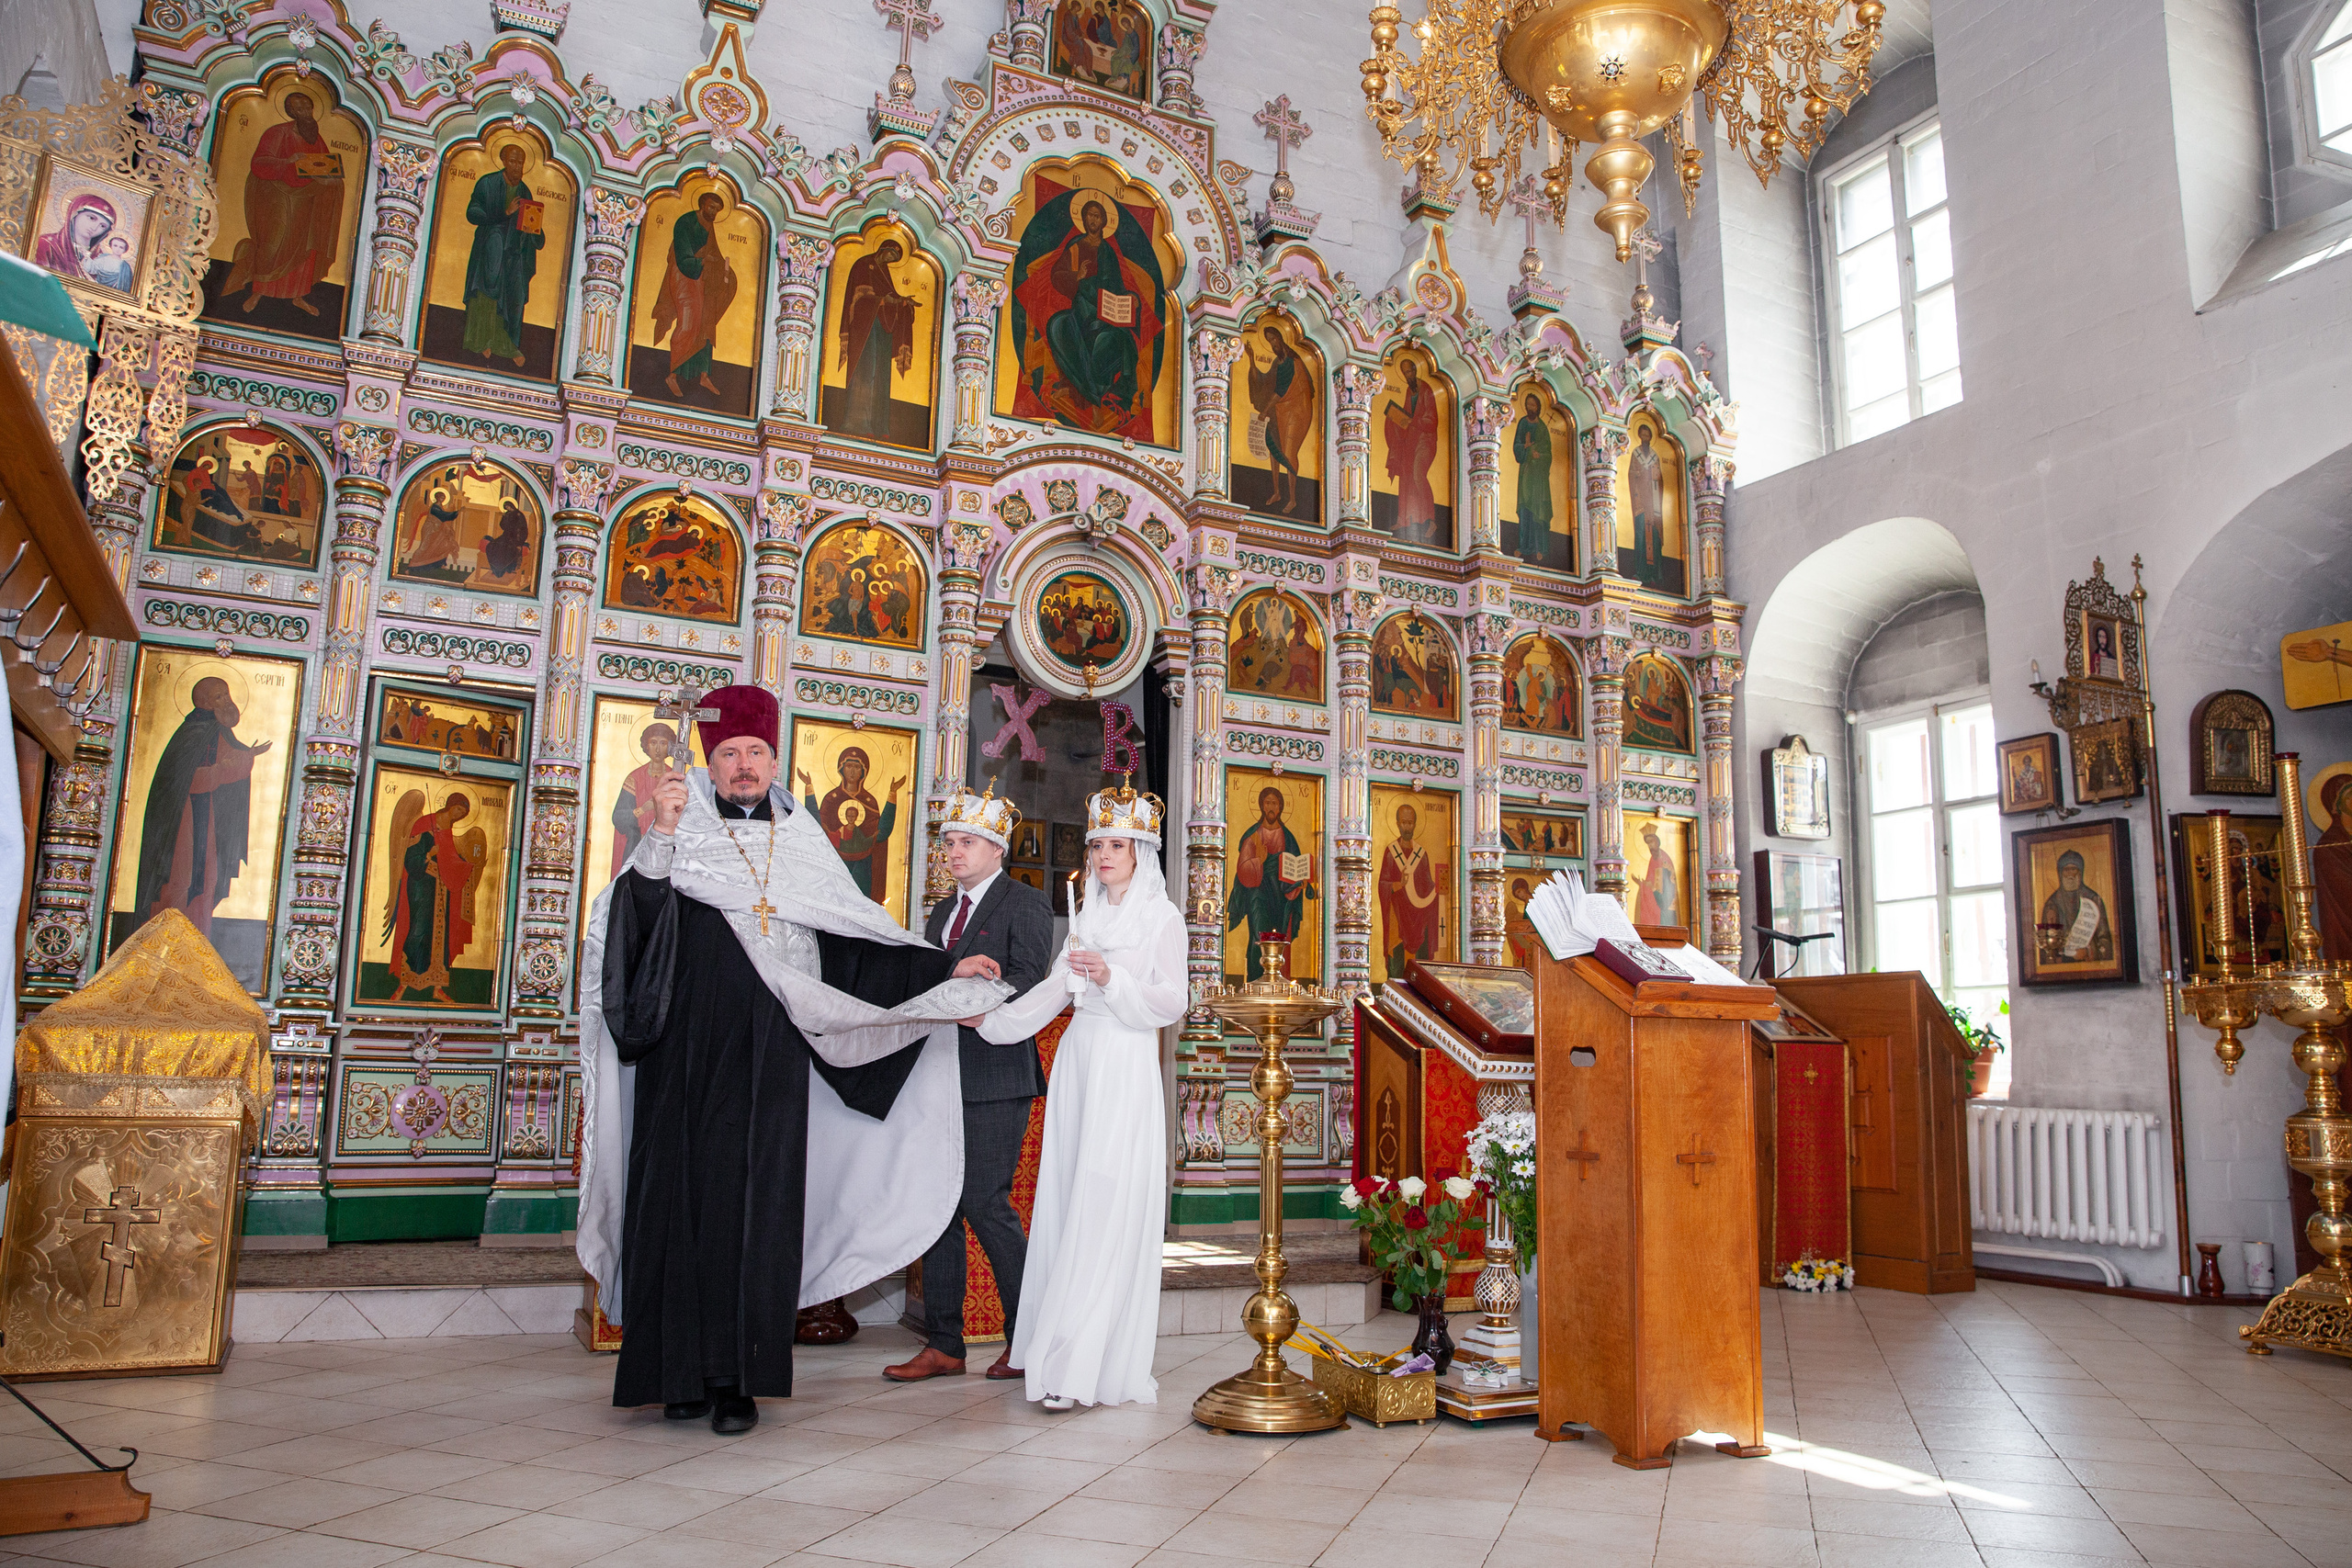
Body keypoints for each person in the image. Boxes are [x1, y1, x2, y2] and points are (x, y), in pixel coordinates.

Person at [576, 685, 1008, 1434]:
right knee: (677, 1204)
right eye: (729, 753)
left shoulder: (803, 840)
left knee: (760, 1213)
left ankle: (738, 1381)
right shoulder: (679, 832)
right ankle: (675, 1375)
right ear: (709, 764)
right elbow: (628, 932)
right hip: (684, 1058)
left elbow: (855, 942)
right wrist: (662, 835)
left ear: (775, 760)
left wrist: (944, 970)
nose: (743, 764)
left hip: (772, 1062)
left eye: (755, 752)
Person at [975, 780, 1186, 1409]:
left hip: (1124, 1062)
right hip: (1080, 1061)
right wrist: (991, 1020)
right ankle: (1057, 1348)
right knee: (1069, 1199)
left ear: (1140, 851)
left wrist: (1113, 978)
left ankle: (1086, 1363)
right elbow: (1052, 992)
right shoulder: (1087, 916)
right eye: (1097, 845)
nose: (1103, 855)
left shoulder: (1163, 918)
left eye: (1116, 844)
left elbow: (1172, 1001)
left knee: (1105, 1199)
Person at [888, 786, 1055, 1384]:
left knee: (986, 1202)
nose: (953, 852)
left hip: (994, 1076)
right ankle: (945, 1344)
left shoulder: (1025, 903)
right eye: (949, 842)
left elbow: (1030, 979)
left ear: (996, 848)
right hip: (937, 1074)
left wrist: (965, 994)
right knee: (937, 1209)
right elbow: (926, 979)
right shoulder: (941, 913)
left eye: (966, 842)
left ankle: (1027, 1339)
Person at [132, 675, 271, 938]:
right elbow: (189, 779)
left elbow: (230, 761)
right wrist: (221, 770)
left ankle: (195, 940)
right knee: (179, 879)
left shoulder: (219, 729)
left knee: (208, 879)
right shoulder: (191, 733)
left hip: (206, 816)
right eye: (219, 697)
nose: (227, 701)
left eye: (227, 694)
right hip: (183, 820)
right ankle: (164, 941)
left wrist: (247, 757)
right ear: (205, 702)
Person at [221, 90, 344, 316]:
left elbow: (324, 166)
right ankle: (258, 291)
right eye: (299, 109)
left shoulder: (315, 138)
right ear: (291, 112)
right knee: (273, 245)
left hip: (306, 201)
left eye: (308, 107)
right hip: (278, 199)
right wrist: (287, 161)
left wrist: (330, 180)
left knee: (305, 248)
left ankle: (298, 295)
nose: (305, 112)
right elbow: (260, 162)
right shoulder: (277, 133)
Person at [381, 790, 489, 1003]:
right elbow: (411, 858)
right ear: (450, 805)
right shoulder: (424, 824)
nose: (458, 815)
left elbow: (450, 859)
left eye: (462, 814)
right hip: (421, 886)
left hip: (442, 889)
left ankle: (437, 988)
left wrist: (468, 865)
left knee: (441, 936)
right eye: (457, 809)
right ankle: (403, 984)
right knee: (418, 929)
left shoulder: (448, 830)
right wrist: (429, 855)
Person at [461, 144, 546, 368]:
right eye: (513, 161)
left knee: (516, 294)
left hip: (516, 253)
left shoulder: (525, 192)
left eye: (521, 163)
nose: (517, 167)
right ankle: (483, 340)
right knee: (488, 289)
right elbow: (473, 212)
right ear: (504, 161)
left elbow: (533, 226)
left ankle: (508, 345)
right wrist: (503, 213)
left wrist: (535, 231)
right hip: (490, 249)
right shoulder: (487, 183)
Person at [654, 191, 738, 403]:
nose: (714, 212)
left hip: (703, 278)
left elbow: (714, 253)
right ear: (702, 204)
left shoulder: (710, 226)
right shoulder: (686, 222)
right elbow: (682, 255)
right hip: (684, 275)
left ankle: (703, 375)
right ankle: (672, 375)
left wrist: (724, 271)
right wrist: (702, 261)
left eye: (717, 210)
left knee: (706, 323)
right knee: (688, 323)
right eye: (711, 207)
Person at [798, 749, 906, 906]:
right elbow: (817, 826)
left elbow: (881, 833)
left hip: (863, 864)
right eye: (849, 766)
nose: (852, 771)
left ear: (864, 771)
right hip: (834, 863)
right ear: (841, 768)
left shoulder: (869, 801)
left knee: (859, 904)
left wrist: (892, 794)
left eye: (857, 767)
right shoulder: (831, 798)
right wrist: (809, 789)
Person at [1229, 786, 1313, 980]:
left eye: (1275, 803)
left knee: (1280, 937)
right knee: (1259, 935)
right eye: (1267, 803)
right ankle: (1255, 981)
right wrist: (1259, 860)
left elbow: (1295, 868)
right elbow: (1243, 870)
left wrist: (1300, 882)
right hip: (1258, 894)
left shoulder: (1288, 837)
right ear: (1261, 806)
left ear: (1280, 807)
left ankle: (1278, 981)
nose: (1271, 807)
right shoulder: (1253, 835)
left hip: (1281, 897)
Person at [838, 237, 917, 439]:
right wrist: (883, 300)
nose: (891, 259)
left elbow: (890, 297)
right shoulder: (863, 265)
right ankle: (857, 423)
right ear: (883, 249)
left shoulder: (884, 273)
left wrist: (903, 303)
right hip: (864, 330)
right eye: (891, 254)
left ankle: (879, 427)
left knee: (881, 374)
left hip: (881, 328)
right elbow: (859, 299)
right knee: (866, 370)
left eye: (895, 258)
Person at [1248, 321, 1313, 517]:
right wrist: (1251, 360)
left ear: (1280, 338)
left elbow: (1281, 390)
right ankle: (1277, 492)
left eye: (1274, 339)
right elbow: (1265, 383)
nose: (1272, 344)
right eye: (1269, 341)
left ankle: (1292, 499)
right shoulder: (1277, 363)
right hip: (1279, 411)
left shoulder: (1293, 362)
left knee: (1289, 452)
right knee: (1273, 446)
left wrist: (1265, 410)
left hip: (1296, 412)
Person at [1378, 803, 1446, 977]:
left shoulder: (1421, 854)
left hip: (1419, 915)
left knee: (1420, 960)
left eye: (1410, 823)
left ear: (1415, 824)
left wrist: (1439, 889)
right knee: (1397, 960)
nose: (1407, 827)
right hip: (1397, 914)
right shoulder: (1391, 852)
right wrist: (1396, 884)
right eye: (1404, 822)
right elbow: (1382, 884)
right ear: (1397, 823)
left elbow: (1428, 885)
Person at [1383, 357, 1442, 544]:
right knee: (1406, 475)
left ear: (1415, 370)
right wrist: (1396, 418)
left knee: (1418, 474)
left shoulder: (1426, 390)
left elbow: (1431, 421)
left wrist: (1412, 421)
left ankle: (1431, 521)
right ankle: (1403, 519)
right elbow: (1408, 415)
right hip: (1413, 440)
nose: (1408, 376)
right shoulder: (1409, 391)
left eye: (1409, 371)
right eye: (1405, 373)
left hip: (1426, 441)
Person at [610, 721, 678, 874]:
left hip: (666, 848)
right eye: (653, 743)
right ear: (646, 746)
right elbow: (618, 817)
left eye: (663, 743)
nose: (658, 749)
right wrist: (642, 809)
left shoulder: (675, 778)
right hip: (636, 847)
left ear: (670, 747)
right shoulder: (634, 778)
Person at [2039, 849, 2113, 963]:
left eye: (2074, 869)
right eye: (2066, 870)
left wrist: (2088, 951)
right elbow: (2045, 941)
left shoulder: (2093, 900)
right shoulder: (2052, 903)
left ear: (2080, 872)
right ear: (2060, 873)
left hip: (2089, 963)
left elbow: (2105, 939)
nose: (2070, 875)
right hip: (2063, 964)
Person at [34, 193, 116, 285]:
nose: (94, 228)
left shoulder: (101, 259)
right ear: (75, 213)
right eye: (92, 218)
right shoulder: (47, 244)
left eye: (102, 226)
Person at [1512, 392, 1554, 565]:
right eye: (1528, 404)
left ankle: (1540, 549)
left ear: (1538, 407)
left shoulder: (1543, 428)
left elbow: (1548, 455)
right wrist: (1526, 447)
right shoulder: (1522, 423)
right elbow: (1517, 447)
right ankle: (1524, 547)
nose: (1530, 408)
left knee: (1539, 510)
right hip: (1526, 473)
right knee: (1525, 508)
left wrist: (1539, 456)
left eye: (1533, 405)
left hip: (1539, 478)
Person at [1632, 823, 1679, 928]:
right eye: (1648, 843)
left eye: (1651, 842)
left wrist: (1651, 887)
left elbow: (1665, 901)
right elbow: (1651, 883)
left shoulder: (1665, 862)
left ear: (1657, 842)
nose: (1650, 846)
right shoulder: (1653, 860)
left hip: (1665, 916)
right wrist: (1642, 884)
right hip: (1656, 910)